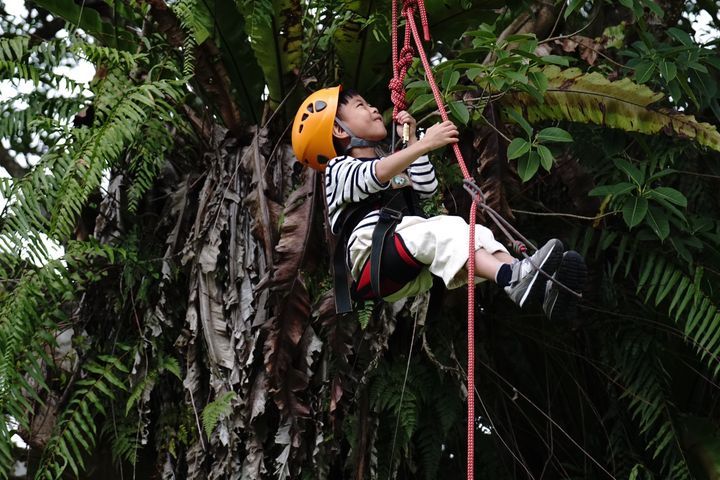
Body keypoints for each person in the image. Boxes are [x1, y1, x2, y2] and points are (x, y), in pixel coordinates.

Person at [291, 86, 586, 320]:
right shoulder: (338, 170)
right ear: (341, 131)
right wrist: (425, 144)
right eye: (361, 107)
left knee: (471, 232)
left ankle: (531, 280)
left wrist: (413, 144)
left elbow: (426, 188)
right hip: (375, 258)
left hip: (405, 254)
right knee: (444, 228)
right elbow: (375, 175)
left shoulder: (390, 162)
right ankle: (512, 277)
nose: (372, 109)